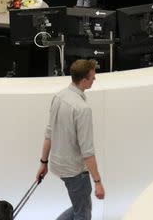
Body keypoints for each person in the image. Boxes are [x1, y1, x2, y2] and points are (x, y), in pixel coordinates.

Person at [37, 59, 104, 220]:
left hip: (58, 165)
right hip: (75, 171)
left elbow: (49, 133)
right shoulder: (82, 109)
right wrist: (97, 182)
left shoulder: (58, 97)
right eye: (92, 78)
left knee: (79, 206)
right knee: (83, 213)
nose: (94, 80)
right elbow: (87, 151)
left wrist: (43, 163)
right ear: (84, 80)